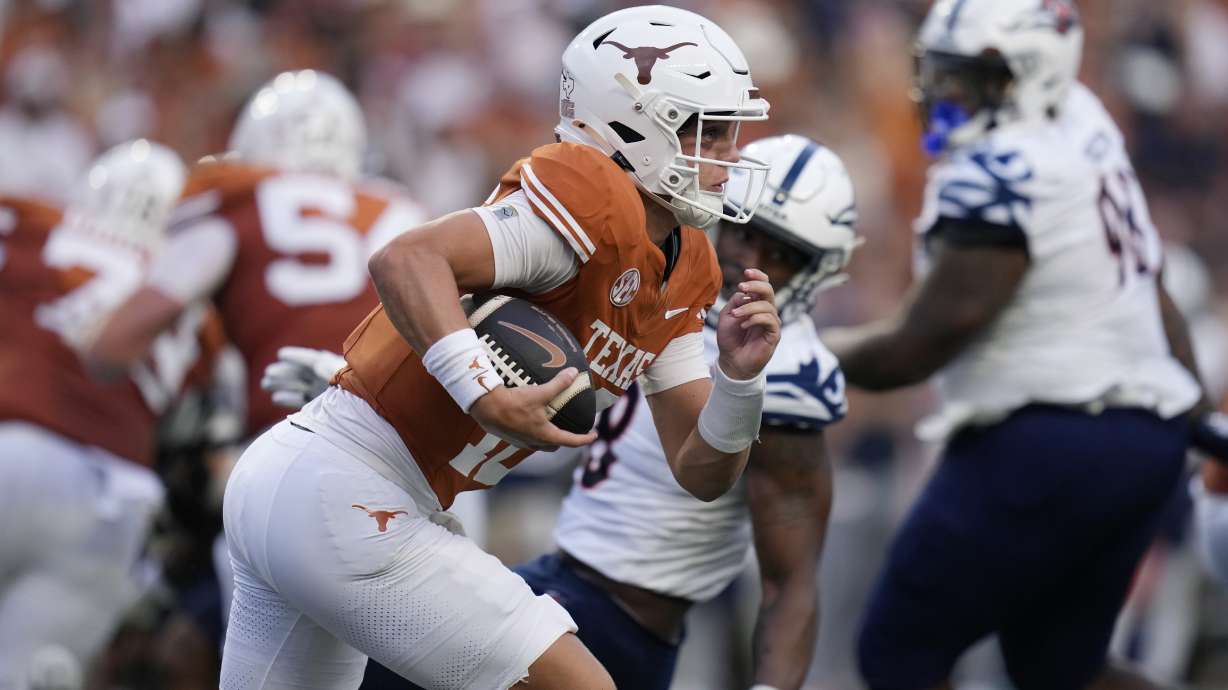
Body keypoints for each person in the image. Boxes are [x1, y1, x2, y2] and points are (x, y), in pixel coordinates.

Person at [217, 6, 781, 689]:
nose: (728, 154)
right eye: (707, 131)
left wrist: (741, 385)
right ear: (630, 122)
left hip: (318, 486)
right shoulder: (591, 199)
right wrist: (481, 389)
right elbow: (406, 258)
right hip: (350, 487)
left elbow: (701, 472)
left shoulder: (686, 264)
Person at [263, 134, 859, 690]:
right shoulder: (665, 289)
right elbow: (543, 391)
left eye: (779, 253)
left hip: (625, 619)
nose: (748, 257)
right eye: (746, 233)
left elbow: (785, 577)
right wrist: (373, 392)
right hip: (559, 574)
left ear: (817, 269)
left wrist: (739, 381)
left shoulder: (778, 367)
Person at [820, 1, 1209, 688]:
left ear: (1028, 75)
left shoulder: (1000, 169)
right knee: (1062, 670)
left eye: (967, 79)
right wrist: (1191, 413)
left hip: (1046, 442)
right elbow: (1150, 288)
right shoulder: (1081, 120)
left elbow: (924, 342)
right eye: (941, 74)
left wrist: (807, 352)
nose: (945, 96)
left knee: (898, 649)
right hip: (1142, 438)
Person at [86, 69, 427, 439]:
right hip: (412, 436)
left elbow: (113, 346)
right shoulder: (399, 208)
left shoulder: (237, 200)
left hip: (293, 431)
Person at [0, 139, 205, 689]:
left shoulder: (32, 224)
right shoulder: (197, 297)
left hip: (13, 447)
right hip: (117, 497)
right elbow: (202, 448)